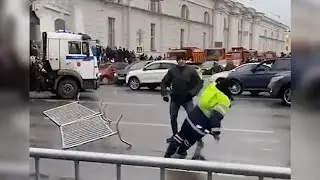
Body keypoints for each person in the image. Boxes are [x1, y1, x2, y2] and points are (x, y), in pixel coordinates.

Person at [164, 79, 233, 159]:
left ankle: (167, 156)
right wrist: (215, 133)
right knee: (189, 141)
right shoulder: (224, 100)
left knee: (180, 135)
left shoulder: (212, 88)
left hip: (191, 118)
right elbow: (215, 117)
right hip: (200, 124)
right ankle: (180, 155)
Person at [161, 57, 203, 143]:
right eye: (179, 59)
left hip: (187, 98)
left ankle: (196, 136)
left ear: (185, 60)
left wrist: (192, 93)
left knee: (192, 118)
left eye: (182, 59)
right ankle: (175, 135)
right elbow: (164, 82)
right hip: (175, 98)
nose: (181, 61)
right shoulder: (172, 71)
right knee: (173, 117)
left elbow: (199, 84)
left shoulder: (191, 71)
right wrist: (164, 94)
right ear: (177, 61)